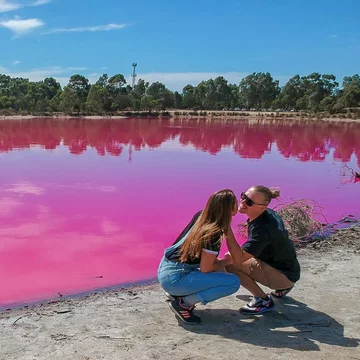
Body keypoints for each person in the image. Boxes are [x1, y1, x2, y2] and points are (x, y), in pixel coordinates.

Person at [157, 189, 241, 325]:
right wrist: (227, 260)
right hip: (175, 279)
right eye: (236, 202)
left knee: (220, 271)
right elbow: (206, 269)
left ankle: (179, 294)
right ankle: (183, 304)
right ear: (230, 208)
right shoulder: (213, 232)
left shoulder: (203, 216)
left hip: (167, 269)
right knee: (233, 282)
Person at [224, 185, 301, 315]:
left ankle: (263, 300)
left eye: (249, 202)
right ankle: (284, 287)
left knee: (231, 264)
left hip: (284, 276)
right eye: (243, 196)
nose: (242, 202)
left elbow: (238, 258)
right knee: (231, 258)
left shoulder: (263, 229)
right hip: (290, 270)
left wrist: (226, 228)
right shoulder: (267, 214)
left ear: (262, 207)